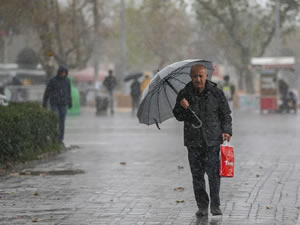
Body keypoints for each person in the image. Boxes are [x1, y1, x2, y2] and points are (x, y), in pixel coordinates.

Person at [173, 64, 232, 217]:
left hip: (212, 140)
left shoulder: (216, 93)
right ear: (191, 77)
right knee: (197, 176)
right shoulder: (184, 94)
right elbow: (178, 116)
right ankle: (202, 206)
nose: (198, 79)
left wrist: (226, 130)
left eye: (201, 76)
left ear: (206, 76)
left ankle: (215, 205)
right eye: (195, 76)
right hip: (193, 141)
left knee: (213, 175)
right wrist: (183, 107)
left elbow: (225, 114)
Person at [43, 65, 72, 143]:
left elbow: (69, 92)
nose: (63, 74)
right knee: (55, 119)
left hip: (63, 104)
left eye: (64, 73)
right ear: (59, 72)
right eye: (62, 72)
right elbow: (47, 92)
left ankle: (60, 139)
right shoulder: (53, 80)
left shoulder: (67, 81)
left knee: (62, 121)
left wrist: (70, 103)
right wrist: (44, 103)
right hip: (54, 103)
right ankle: (54, 137)